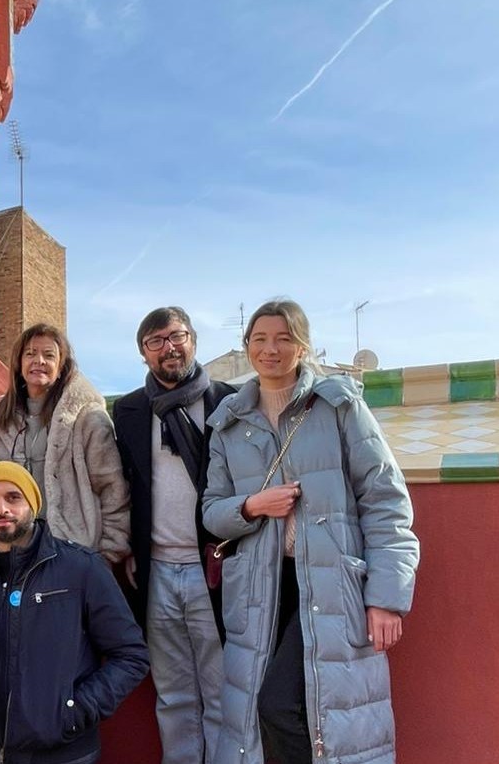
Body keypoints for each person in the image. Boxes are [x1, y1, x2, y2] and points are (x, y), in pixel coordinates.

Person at [202, 299, 419, 764]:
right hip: (260, 589)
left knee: (285, 707)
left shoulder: (338, 406)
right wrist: (252, 505)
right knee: (263, 717)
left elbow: (386, 501)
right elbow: (211, 513)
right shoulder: (227, 423)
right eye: (259, 339)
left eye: (283, 338)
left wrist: (386, 597)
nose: (270, 349)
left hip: (329, 585)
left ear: (301, 346)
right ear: (247, 346)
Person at [0, 461, 149, 764]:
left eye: (13, 497)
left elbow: (130, 655)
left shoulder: (81, 567)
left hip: (64, 753)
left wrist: (74, 711)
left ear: (33, 505)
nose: (1, 508)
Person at [111, 306, 236, 764]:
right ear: (144, 353)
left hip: (215, 566)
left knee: (223, 687)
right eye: (156, 341)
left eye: (176, 335)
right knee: (173, 693)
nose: (169, 347)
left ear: (193, 339)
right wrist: (126, 545)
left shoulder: (230, 401)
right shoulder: (127, 411)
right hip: (157, 569)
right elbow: (121, 484)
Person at [0, 323, 130, 563]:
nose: (39, 360)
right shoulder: (1, 418)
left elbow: (113, 489)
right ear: (19, 364)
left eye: (49, 355)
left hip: (72, 552)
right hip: (12, 551)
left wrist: (109, 553)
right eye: (30, 353)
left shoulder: (88, 419)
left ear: (61, 367)